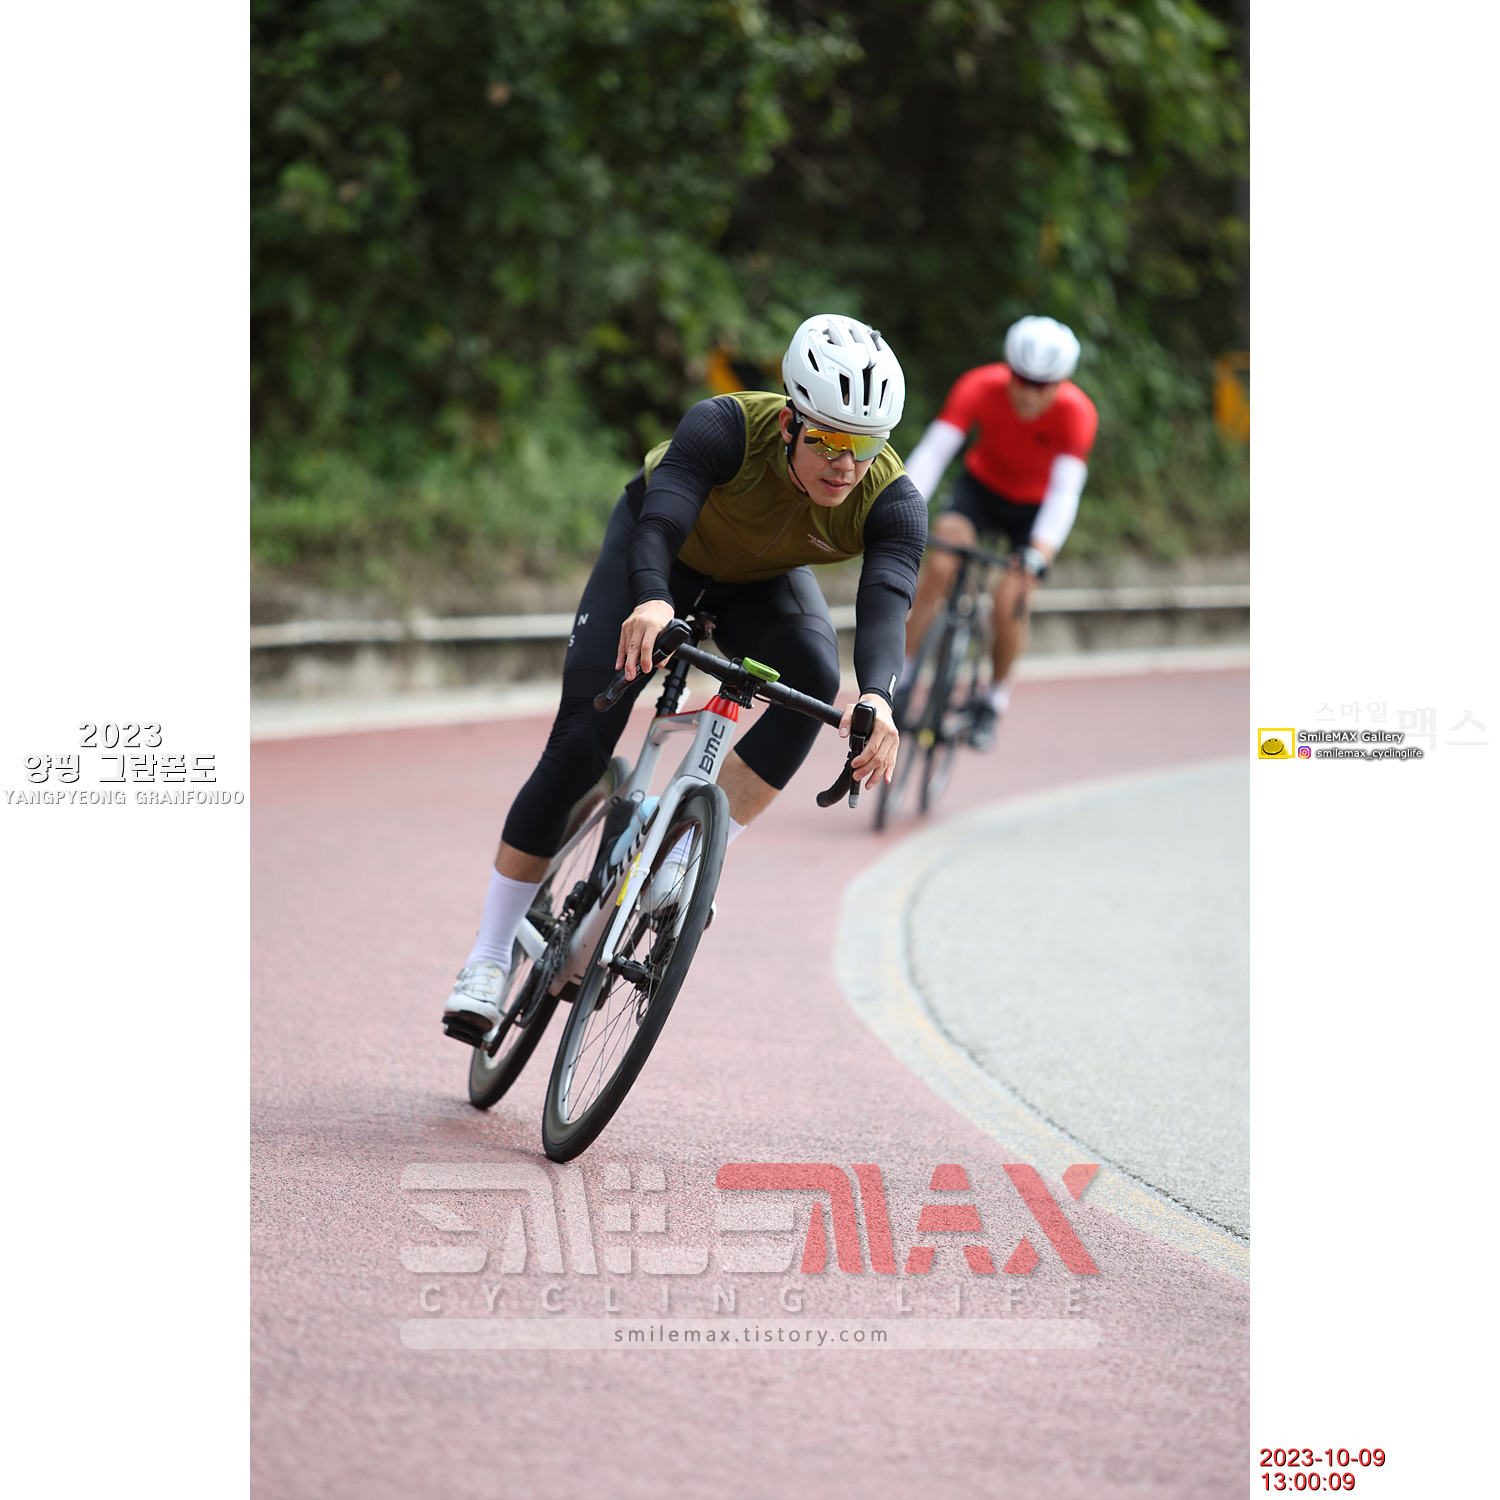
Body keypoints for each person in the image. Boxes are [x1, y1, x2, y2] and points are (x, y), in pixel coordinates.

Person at [441, 314, 927, 1041]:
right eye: (828, 440)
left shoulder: (893, 500)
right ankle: (486, 958)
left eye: (865, 445)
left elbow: (887, 601)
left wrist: (880, 699)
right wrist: (650, 598)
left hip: (757, 585)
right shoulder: (725, 426)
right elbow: (661, 523)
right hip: (656, 559)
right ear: (790, 423)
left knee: (814, 682)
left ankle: (688, 852)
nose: (845, 464)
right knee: (579, 746)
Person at [899, 316, 1098, 749]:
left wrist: (1040, 552)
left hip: (1034, 509)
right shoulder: (979, 386)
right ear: (1009, 371)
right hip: (980, 491)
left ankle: (993, 699)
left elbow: (1065, 493)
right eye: (1021, 379)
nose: (1028, 393)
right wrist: (901, 508)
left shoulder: (1077, 413)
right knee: (942, 564)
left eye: (1041, 385)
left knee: (1012, 599)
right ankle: (904, 677)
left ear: (1059, 383)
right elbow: (933, 453)